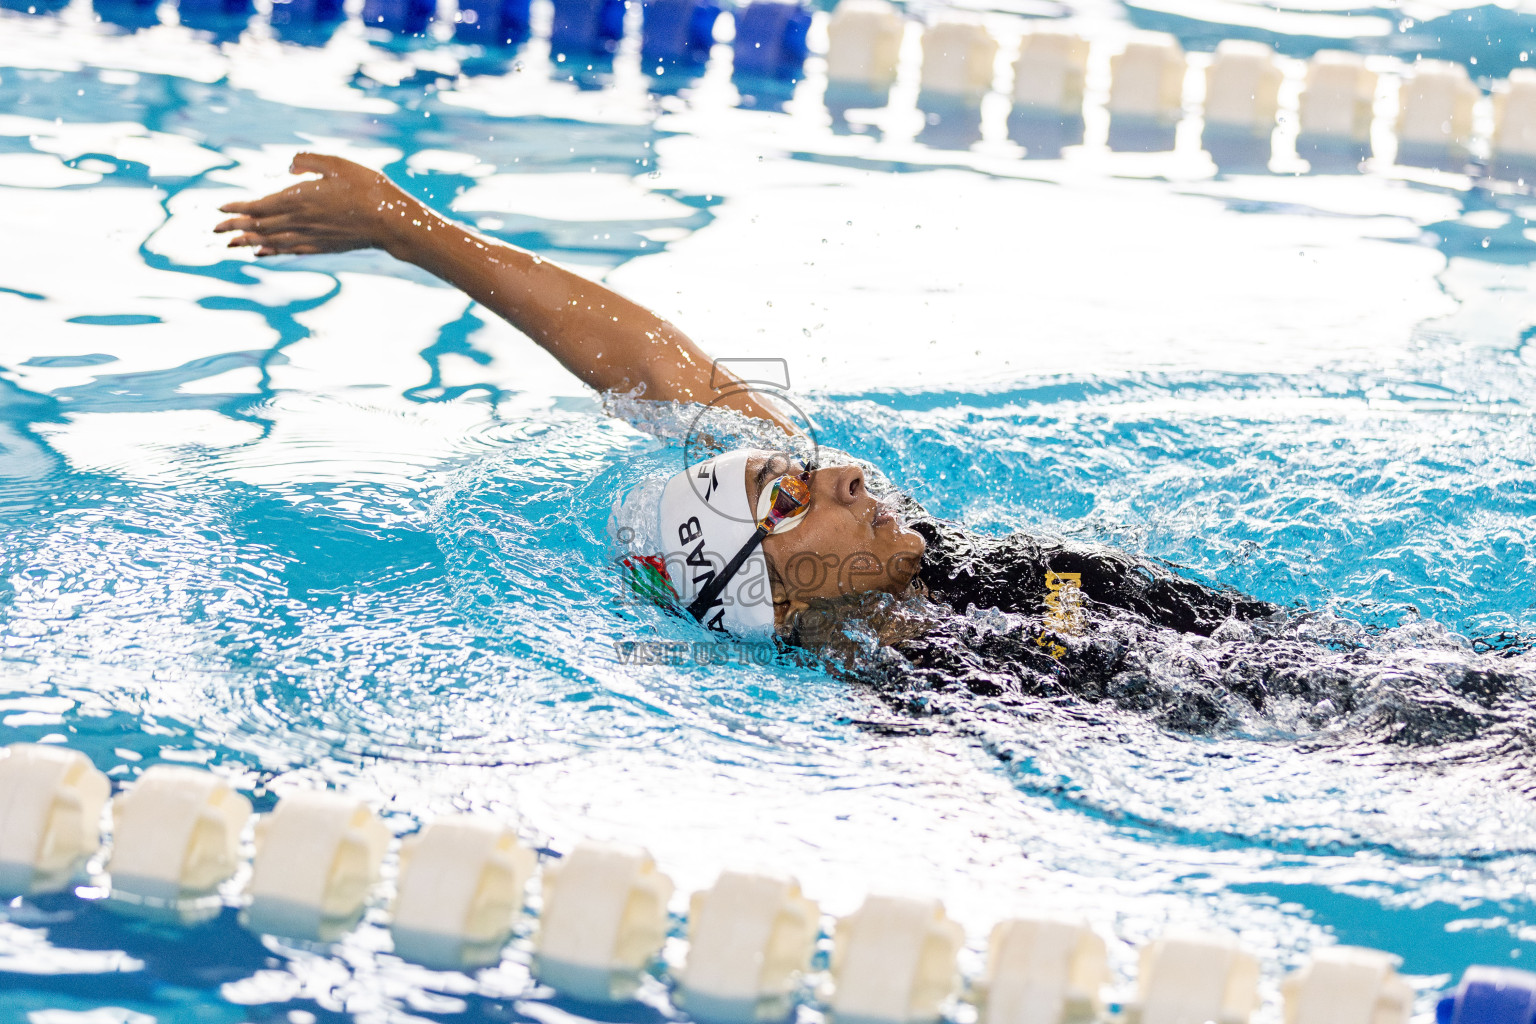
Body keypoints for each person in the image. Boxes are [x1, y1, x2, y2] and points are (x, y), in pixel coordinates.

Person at [215, 154, 1530, 744]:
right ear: (770, 597)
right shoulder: (922, 695)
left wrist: (412, 228)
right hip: (1417, 753)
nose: (837, 472)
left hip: (1420, 664)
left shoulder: (920, 564)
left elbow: (663, 376)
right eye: (790, 503)